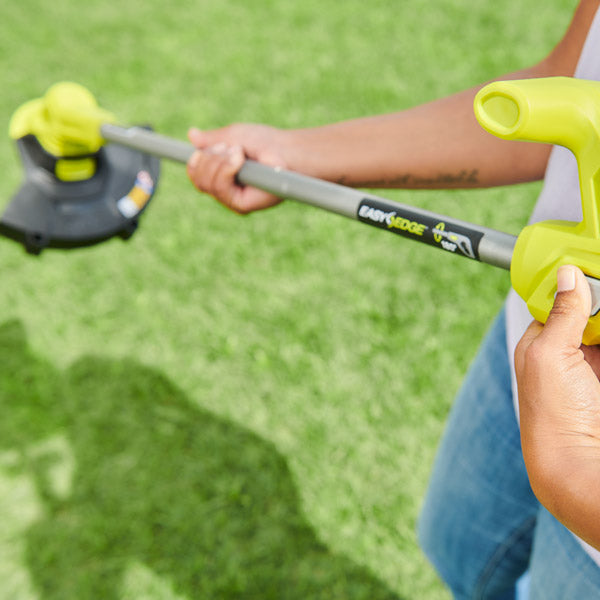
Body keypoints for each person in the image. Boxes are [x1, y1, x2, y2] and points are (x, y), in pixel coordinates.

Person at [186, 1, 600, 597]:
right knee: (457, 547)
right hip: (539, 332)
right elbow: (567, 77)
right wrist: (300, 156)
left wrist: (574, 471)